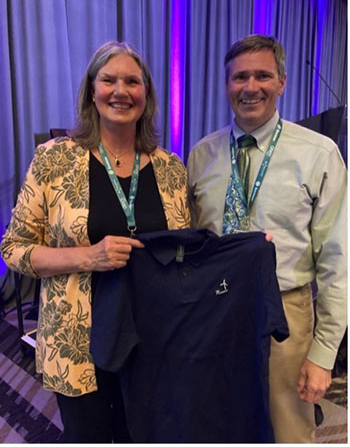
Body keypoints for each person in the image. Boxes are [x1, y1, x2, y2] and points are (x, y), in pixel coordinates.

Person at [1, 41, 190, 443]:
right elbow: (13, 248)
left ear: (147, 95)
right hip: (78, 343)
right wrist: (89, 255)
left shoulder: (171, 168)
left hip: (152, 338)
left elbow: (184, 250)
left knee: (143, 433)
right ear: (92, 90)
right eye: (109, 80)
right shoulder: (53, 159)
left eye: (133, 82)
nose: (121, 91)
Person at [187, 34, 347, 443]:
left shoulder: (319, 153)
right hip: (215, 312)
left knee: (288, 430)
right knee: (220, 421)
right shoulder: (202, 155)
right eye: (240, 77)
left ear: (282, 82)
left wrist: (323, 354)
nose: (250, 87)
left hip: (285, 315)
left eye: (262, 75)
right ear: (226, 85)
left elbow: (338, 259)